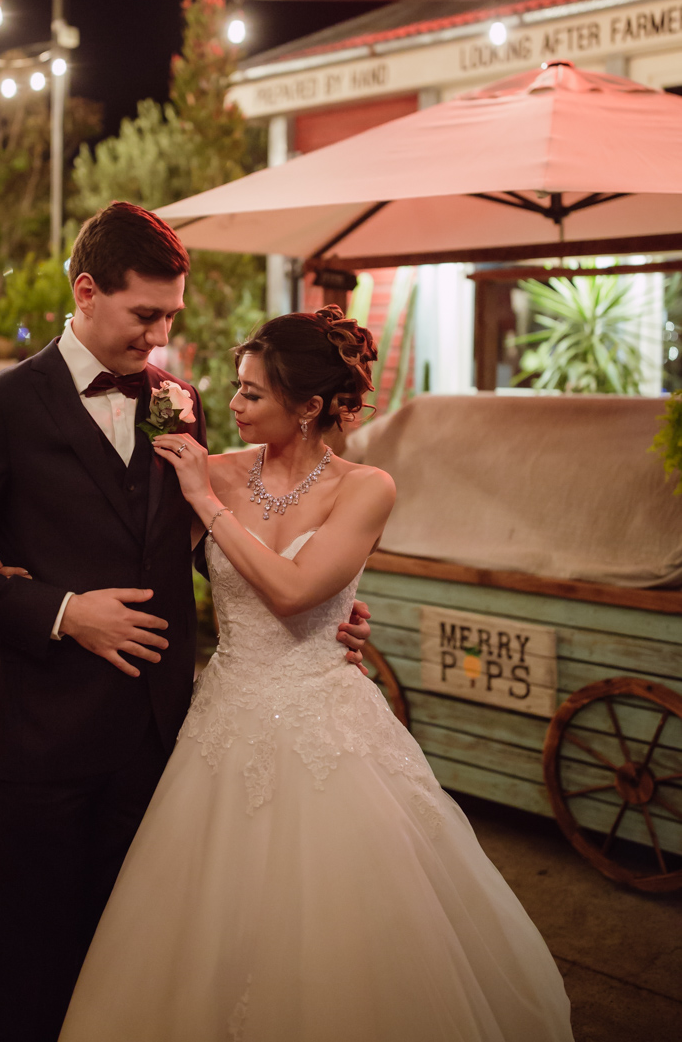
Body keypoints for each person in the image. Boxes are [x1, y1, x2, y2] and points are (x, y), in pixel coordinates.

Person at [0, 203, 372, 1042]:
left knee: (143, 968)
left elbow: (180, 538)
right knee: (39, 966)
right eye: (143, 315)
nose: (157, 338)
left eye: (170, 318)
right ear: (86, 292)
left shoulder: (175, 400)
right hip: (41, 740)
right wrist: (61, 611)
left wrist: (313, 602)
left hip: (163, 739)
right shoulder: (1, 405)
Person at [58, 306, 574, 1042]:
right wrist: (30, 578)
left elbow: (296, 592)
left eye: (251, 395)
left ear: (307, 407)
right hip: (223, 715)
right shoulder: (218, 467)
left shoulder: (365, 487)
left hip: (322, 718)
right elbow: (113, 541)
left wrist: (206, 505)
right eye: (235, 388)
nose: (230, 406)